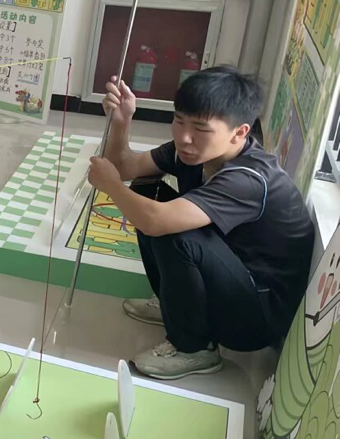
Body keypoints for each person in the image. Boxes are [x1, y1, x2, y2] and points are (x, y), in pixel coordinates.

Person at [89, 68, 314, 381]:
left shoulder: (248, 179)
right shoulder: (192, 152)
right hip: (234, 277)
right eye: (179, 120)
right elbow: (125, 167)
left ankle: (194, 347)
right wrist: (122, 120)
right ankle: (173, 306)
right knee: (147, 190)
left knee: (173, 231)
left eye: (200, 128)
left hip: (258, 317)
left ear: (239, 133)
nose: (184, 137)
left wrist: (112, 187)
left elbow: (154, 220)